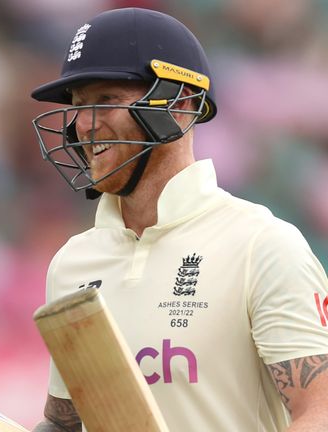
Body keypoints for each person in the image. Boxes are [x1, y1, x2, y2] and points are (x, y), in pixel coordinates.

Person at [30, 7, 328, 432]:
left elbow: (319, 412)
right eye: (79, 106)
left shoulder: (262, 245)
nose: (84, 125)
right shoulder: (71, 263)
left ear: (181, 104)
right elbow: (64, 423)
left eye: (106, 100)